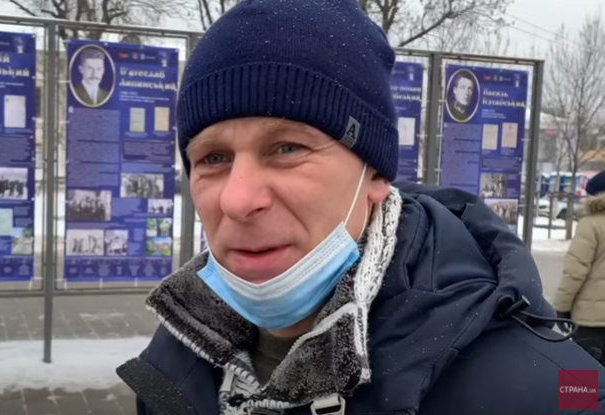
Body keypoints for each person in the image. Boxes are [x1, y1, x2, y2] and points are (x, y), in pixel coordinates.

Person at [115, 0, 605, 414]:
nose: (238, 199)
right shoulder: (177, 358)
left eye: (287, 148)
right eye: (213, 158)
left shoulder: (561, 393)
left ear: (374, 175)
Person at [553, 171, 605, 364]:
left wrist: (561, 307)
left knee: (580, 379)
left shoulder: (591, 224)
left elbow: (575, 271)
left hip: (591, 323)